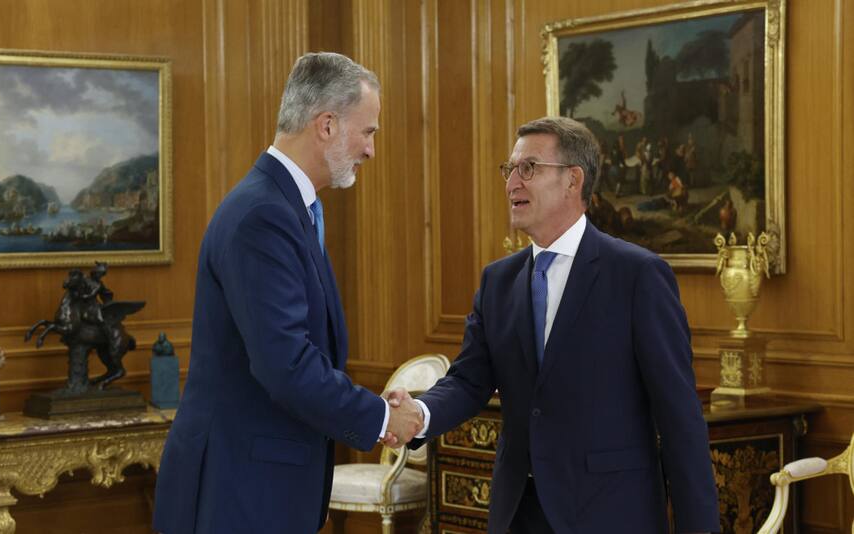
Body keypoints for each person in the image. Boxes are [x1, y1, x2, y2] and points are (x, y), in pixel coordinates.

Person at [386, 117, 720, 534]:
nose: (512, 184)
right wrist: (420, 411)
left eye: (529, 168)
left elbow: (679, 418)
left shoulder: (637, 276)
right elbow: (470, 380)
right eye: (510, 170)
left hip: (610, 514)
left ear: (572, 180)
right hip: (518, 513)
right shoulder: (498, 281)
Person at [153, 52, 424, 534]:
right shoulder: (264, 215)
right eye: (368, 132)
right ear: (326, 125)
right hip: (239, 490)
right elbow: (286, 363)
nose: (370, 150)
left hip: (258, 485)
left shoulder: (287, 208)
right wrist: (381, 417)